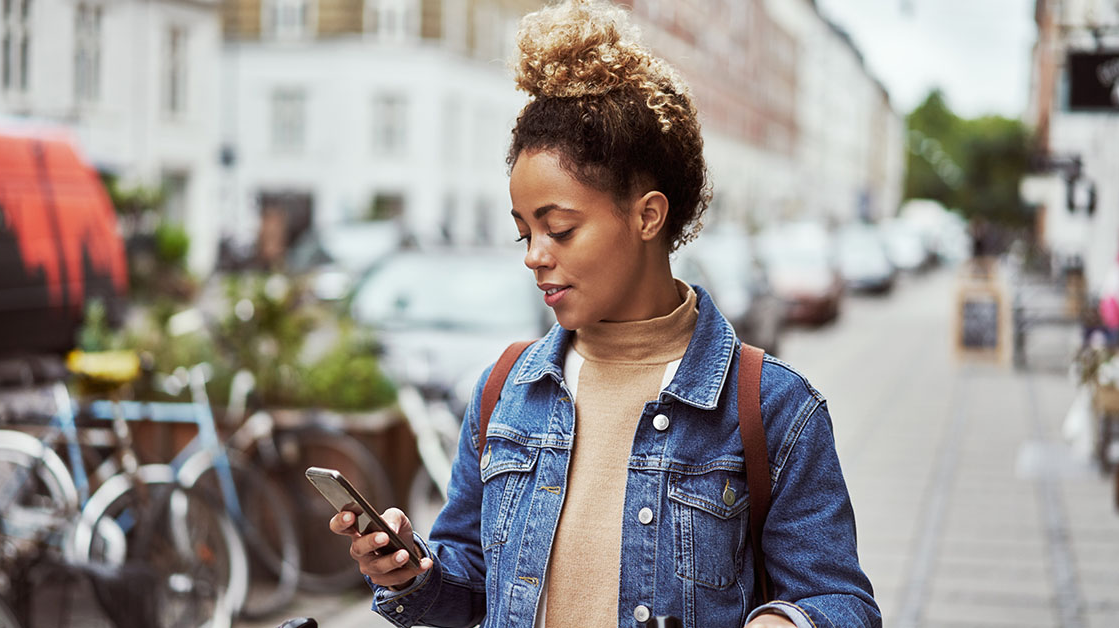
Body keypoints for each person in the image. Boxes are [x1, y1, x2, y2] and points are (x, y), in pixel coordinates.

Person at [330, 1, 880, 626]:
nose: (536, 257)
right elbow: (473, 580)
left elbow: (841, 603)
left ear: (648, 216)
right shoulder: (503, 392)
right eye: (523, 234)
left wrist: (785, 621)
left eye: (559, 229)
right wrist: (416, 572)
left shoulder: (773, 409)